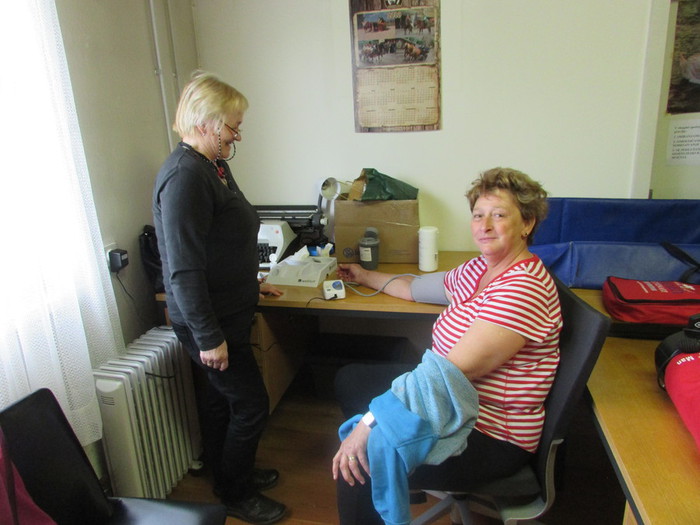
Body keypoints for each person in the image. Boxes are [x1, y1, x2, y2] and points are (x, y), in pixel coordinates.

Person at [331, 167, 562, 524]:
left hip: (487, 430)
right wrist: (363, 275)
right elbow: (413, 287)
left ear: (527, 223)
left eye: (499, 215)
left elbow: (447, 373)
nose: (485, 226)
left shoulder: (522, 288)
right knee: (350, 379)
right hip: (450, 400)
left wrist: (370, 424)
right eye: (478, 215)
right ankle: (398, 469)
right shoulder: (480, 270)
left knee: (362, 459)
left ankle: (386, 470)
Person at [153, 71, 286, 524]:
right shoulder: (185, 177)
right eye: (233, 126)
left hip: (230, 307)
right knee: (251, 404)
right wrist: (209, 338)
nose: (237, 135)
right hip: (207, 321)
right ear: (206, 123)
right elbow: (184, 268)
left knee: (218, 401)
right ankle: (234, 492)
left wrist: (250, 282)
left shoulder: (215, 165)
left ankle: (228, 472)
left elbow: (224, 240)